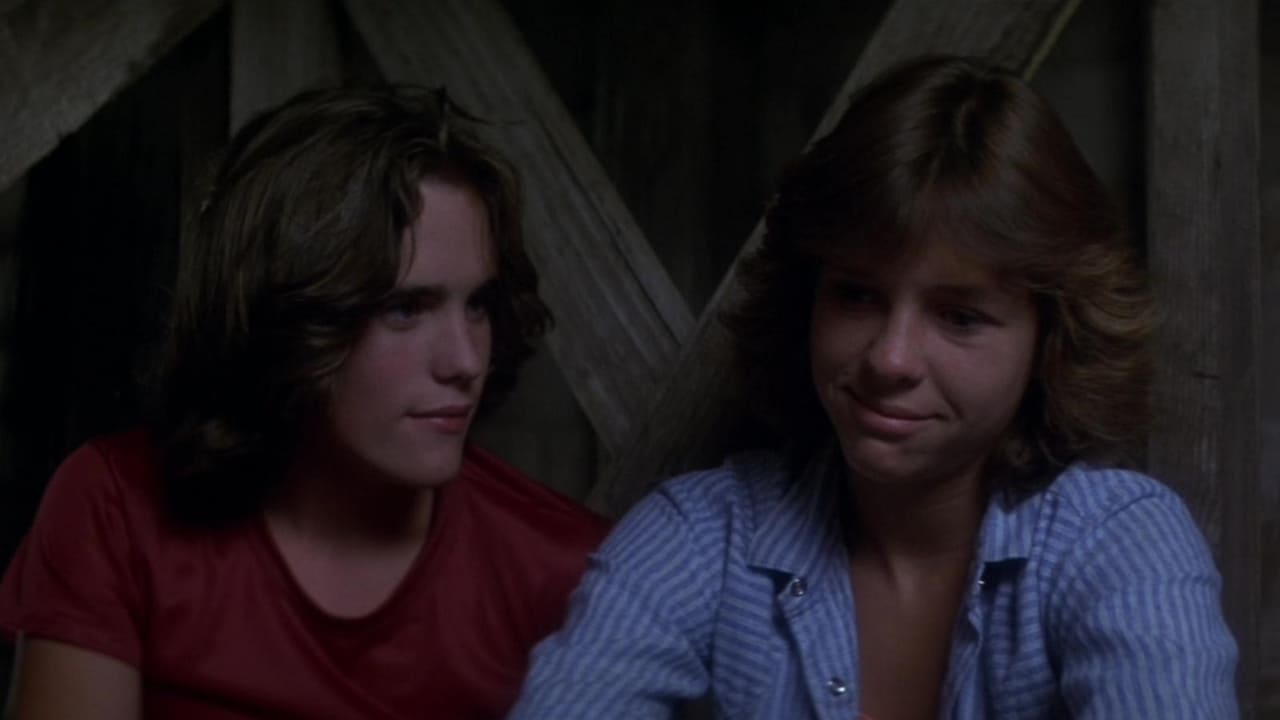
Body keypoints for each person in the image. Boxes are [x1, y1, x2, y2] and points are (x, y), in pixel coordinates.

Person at [509, 55, 1238, 719]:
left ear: (1053, 337)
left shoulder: (1118, 542)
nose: (890, 359)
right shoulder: (701, 535)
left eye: (959, 317)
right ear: (807, 297)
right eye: (857, 295)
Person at [0, 86, 609, 719]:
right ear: (285, 317)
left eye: (478, 304)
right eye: (406, 309)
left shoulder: (572, 573)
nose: (465, 360)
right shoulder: (117, 505)